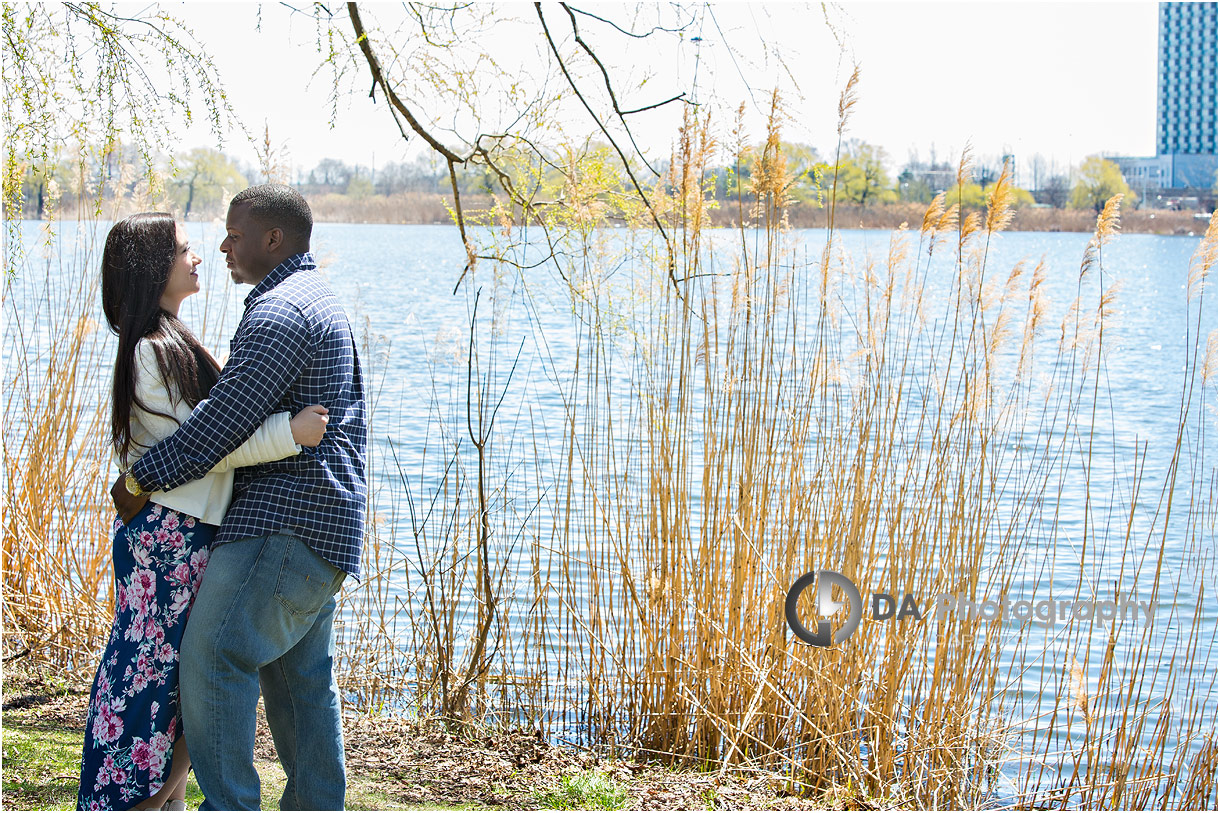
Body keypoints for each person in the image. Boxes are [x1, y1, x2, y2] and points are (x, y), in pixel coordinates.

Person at [114, 185, 368, 811]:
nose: (222, 245)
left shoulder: (280, 313)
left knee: (214, 656)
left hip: (280, 528)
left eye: (234, 232)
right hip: (325, 529)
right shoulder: (315, 299)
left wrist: (140, 479)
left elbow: (218, 428)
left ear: (273, 239)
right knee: (299, 684)